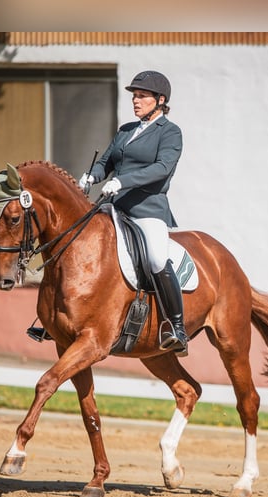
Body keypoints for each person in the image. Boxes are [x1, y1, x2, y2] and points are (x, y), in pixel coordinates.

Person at [79, 70, 188, 356]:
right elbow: (106, 161)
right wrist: (92, 176)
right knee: (77, 242)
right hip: (113, 207)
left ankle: (176, 327)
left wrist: (123, 181)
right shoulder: (126, 130)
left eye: (141, 96)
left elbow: (162, 169)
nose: (135, 101)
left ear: (160, 100)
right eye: (134, 96)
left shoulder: (170, 132)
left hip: (147, 210)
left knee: (155, 258)